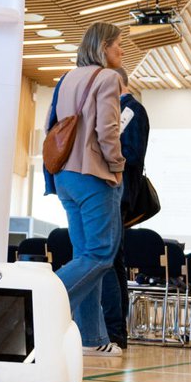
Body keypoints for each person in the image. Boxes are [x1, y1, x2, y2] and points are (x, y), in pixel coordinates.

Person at [45, 22, 126, 356]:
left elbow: (51, 124)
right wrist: (118, 165)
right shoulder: (109, 78)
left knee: (86, 256)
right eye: (119, 45)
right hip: (94, 175)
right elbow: (108, 130)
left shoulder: (66, 78)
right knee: (100, 255)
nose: (122, 51)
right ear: (104, 46)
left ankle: (91, 339)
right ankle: (45, 299)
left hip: (65, 176)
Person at [101, 67, 150, 348]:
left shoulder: (132, 111)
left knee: (110, 262)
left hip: (118, 193)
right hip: (111, 193)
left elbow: (131, 154)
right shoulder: (114, 111)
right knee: (113, 261)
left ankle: (114, 331)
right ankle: (114, 330)